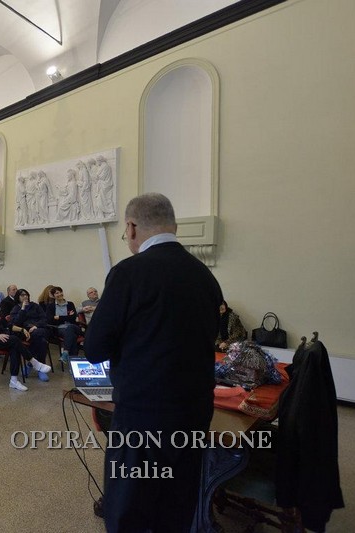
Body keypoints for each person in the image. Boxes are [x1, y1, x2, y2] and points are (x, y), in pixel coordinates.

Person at [83, 193, 223, 532]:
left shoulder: (128, 274)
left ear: (131, 228)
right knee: (175, 505)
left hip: (143, 417)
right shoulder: (205, 277)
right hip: (193, 414)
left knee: (128, 507)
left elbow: (95, 349)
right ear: (172, 226)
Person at [0, 290, 51, 391]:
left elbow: (8, 325)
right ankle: (34, 362)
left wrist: (22, 330)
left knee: (15, 348)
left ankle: (14, 381)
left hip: (2, 338)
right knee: (14, 339)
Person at [10, 289, 50, 381]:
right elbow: (15, 323)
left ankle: (31, 364)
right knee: (43, 342)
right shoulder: (16, 308)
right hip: (24, 332)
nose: (25, 297)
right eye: (22, 295)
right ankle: (40, 368)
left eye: (26, 295)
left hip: (38, 329)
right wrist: (23, 309)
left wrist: (36, 326)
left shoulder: (35, 306)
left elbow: (44, 319)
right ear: (18, 297)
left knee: (39, 335)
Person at [46, 286, 81, 364]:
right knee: (72, 336)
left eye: (60, 292)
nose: (59, 294)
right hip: (60, 328)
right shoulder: (51, 306)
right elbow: (50, 320)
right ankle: (73, 361)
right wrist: (67, 317)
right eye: (57, 293)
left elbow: (73, 318)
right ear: (53, 296)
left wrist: (59, 317)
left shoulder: (70, 304)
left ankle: (65, 353)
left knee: (70, 328)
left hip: (74, 326)